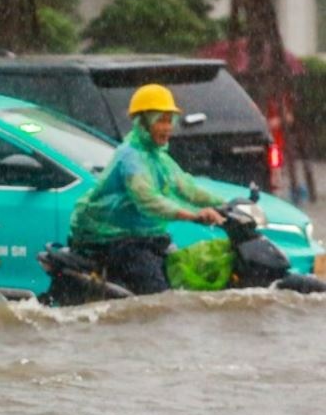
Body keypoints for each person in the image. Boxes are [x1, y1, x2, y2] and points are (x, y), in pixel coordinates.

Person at [68, 83, 227, 294]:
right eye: (161, 120)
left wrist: (226, 204)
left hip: (145, 237)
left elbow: (187, 188)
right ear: (143, 122)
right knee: (159, 298)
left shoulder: (158, 157)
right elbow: (148, 200)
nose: (168, 127)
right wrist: (194, 216)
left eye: (170, 120)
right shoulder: (131, 157)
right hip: (115, 241)